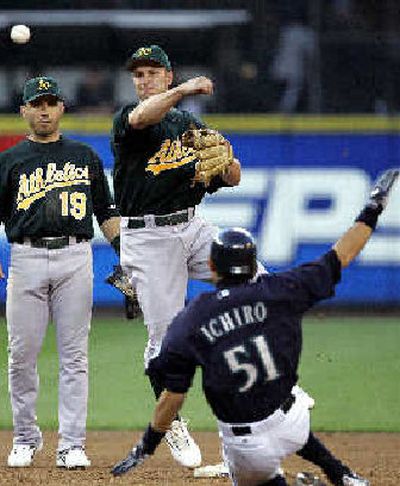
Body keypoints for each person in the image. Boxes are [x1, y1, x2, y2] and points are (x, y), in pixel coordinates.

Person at [110, 169, 399, 485]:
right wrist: (373, 208)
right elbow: (343, 253)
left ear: (210, 265)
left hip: (245, 447)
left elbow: (172, 393)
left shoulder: (194, 317)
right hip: (292, 419)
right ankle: (341, 474)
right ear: (253, 263)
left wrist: (146, 445)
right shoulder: (281, 290)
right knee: (294, 416)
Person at [111, 44, 241, 468]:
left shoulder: (188, 124)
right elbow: (142, 117)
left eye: (152, 72)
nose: (144, 79)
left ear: (166, 75)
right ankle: (171, 422)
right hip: (148, 239)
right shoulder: (130, 120)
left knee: (255, 278)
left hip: (192, 226)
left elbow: (230, 177)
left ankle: (278, 391)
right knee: (166, 339)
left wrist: (229, 162)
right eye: (138, 74)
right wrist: (184, 89)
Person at [0, 76, 120, 469]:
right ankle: (25, 437)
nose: (44, 109)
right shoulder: (10, 160)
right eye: (37, 103)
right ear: (24, 111)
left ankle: (71, 444)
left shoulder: (84, 156)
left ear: (62, 108)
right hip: (26, 257)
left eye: (51, 102)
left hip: (75, 257)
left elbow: (105, 211)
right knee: (21, 355)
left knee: (75, 357)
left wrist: (126, 255)